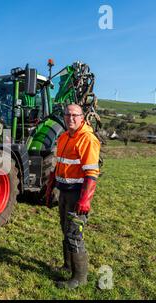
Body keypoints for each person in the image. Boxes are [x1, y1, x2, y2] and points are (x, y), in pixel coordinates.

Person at [46, 103, 101, 289]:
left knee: (74, 234)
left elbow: (91, 174)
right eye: (67, 115)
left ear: (82, 118)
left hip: (78, 194)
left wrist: (85, 200)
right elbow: (59, 165)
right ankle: (68, 265)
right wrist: (50, 187)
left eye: (75, 115)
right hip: (64, 191)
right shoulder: (63, 137)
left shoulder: (87, 139)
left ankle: (79, 278)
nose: (71, 118)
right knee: (65, 229)